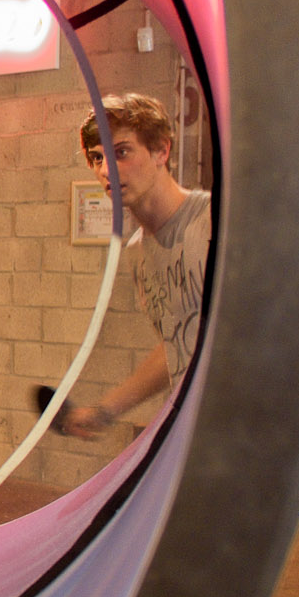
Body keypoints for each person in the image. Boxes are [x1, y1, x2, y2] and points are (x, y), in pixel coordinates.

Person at [62, 93, 211, 438]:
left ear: (162, 150)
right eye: (97, 158)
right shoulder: (139, 253)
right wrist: (105, 411)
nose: (105, 170)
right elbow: (177, 344)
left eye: (121, 153)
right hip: (195, 435)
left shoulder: (213, 222)